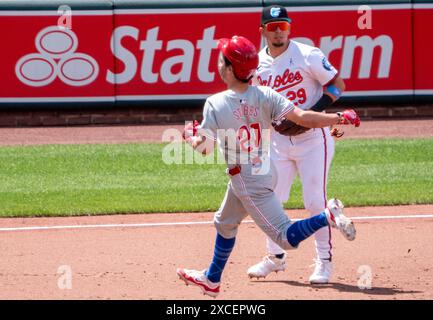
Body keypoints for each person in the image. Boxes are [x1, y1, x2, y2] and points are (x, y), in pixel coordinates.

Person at [176, 35, 359, 297]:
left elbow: (203, 148)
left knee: (285, 237)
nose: (218, 63)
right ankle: (212, 279)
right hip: (264, 169)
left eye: (221, 60)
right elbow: (304, 117)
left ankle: (327, 216)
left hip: (247, 180)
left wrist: (188, 134)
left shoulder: (215, 103)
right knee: (225, 222)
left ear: (230, 69)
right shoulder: (266, 94)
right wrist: (339, 117)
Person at [247, 5, 347, 284]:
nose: (279, 31)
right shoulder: (256, 64)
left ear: (290, 27)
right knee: (271, 199)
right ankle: (275, 258)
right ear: (263, 31)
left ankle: (324, 262)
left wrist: (310, 115)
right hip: (279, 141)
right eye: (272, 27)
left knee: (314, 201)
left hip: (314, 139)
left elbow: (337, 85)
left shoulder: (307, 54)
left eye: (284, 26)